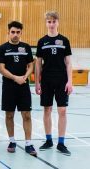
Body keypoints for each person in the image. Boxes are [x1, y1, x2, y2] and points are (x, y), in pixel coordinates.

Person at [0, 21, 37, 156]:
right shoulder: (3, 48)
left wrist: (24, 77)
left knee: (26, 114)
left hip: (23, 86)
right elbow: (1, 69)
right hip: (9, 86)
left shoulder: (26, 47)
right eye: (12, 32)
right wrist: (15, 78)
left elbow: (31, 65)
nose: (15, 35)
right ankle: (12, 141)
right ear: (8, 32)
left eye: (18, 32)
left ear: (21, 33)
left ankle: (28, 143)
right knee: (9, 115)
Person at [35, 11, 72, 156]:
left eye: (54, 21)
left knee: (62, 110)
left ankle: (61, 142)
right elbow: (38, 64)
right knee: (47, 109)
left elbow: (68, 63)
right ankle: (48, 139)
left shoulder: (64, 40)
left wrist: (70, 81)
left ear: (58, 23)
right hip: (46, 80)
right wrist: (37, 82)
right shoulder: (41, 42)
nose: (51, 24)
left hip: (62, 80)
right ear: (46, 23)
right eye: (49, 22)